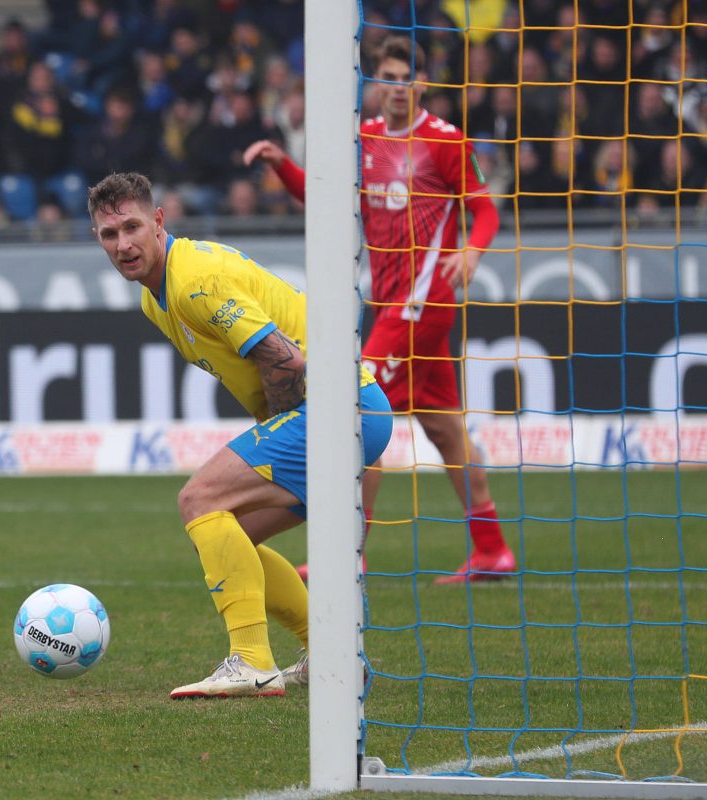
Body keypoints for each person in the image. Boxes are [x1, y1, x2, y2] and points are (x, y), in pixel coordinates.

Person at [88, 172, 392, 698]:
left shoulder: (193, 280)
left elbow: (286, 360)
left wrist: (279, 425)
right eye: (108, 235)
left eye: (132, 227)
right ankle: (332, 655)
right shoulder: (153, 298)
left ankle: (251, 659)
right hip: (351, 409)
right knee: (235, 536)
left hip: (343, 406)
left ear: (159, 222)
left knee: (199, 498)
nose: (123, 245)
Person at [362, 35, 515, 583]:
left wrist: (472, 251)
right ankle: (492, 548)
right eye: (386, 77)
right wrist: (283, 165)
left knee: (357, 415)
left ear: (421, 84)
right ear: (375, 83)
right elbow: (321, 193)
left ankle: (346, 551)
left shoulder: (446, 141)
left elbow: (485, 211)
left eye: (405, 78)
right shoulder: (366, 139)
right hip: (388, 304)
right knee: (446, 430)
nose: (395, 88)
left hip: (422, 303)